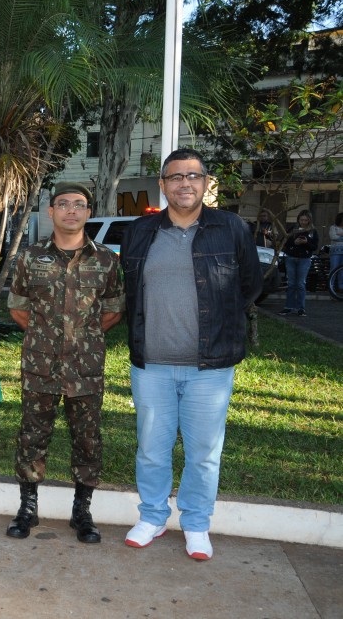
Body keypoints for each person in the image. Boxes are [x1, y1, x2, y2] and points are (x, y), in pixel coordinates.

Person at [120, 148, 262, 560]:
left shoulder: (231, 228)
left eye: (194, 176)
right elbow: (129, 292)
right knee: (151, 447)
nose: (185, 183)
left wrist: (223, 322)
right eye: (176, 177)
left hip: (211, 367)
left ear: (206, 184)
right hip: (152, 365)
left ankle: (197, 524)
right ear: (163, 185)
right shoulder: (140, 231)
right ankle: (151, 517)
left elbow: (252, 286)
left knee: (203, 453)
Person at [5, 183, 125, 543]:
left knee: (87, 438)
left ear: (89, 212)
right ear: (51, 212)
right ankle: (28, 506)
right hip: (40, 365)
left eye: (79, 205)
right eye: (63, 204)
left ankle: (82, 510)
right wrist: (49, 338)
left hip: (85, 366)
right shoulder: (30, 257)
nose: (71, 210)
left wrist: (78, 339)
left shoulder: (105, 259)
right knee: (32, 434)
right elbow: (18, 307)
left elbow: (112, 311)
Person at [278, 209, 319, 317]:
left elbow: (314, 247)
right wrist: (294, 242)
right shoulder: (293, 229)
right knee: (291, 283)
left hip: (304, 259)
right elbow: (285, 241)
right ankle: (288, 307)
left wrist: (306, 243)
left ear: (309, 220)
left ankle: (301, 308)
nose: (303, 222)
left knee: (301, 284)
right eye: (301, 220)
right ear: (298, 219)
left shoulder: (312, 231)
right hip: (291, 258)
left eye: (306, 220)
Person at [327, 212, 343, 292]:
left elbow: (337, 237)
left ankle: (341, 287)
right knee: (334, 268)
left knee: (342, 270)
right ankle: (331, 286)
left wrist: (340, 234)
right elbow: (333, 237)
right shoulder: (333, 227)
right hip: (335, 252)